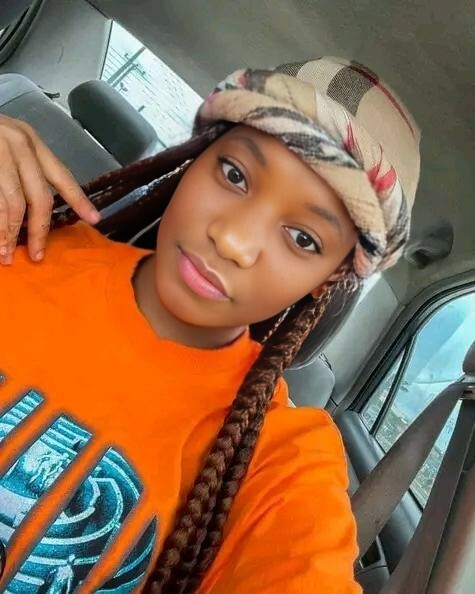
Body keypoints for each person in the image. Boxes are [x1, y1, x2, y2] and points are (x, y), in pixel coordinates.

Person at [0, 57, 420, 593]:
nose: (233, 240)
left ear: (327, 280)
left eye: (303, 239)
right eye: (235, 175)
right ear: (196, 157)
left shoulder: (279, 456)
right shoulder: (25, 237)